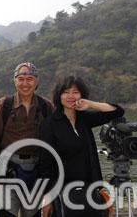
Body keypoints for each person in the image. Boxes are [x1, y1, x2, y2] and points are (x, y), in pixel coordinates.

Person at [38, 76, 124, 217]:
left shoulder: (84, 119)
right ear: (59, 96)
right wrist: (47, 198)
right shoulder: (49, 124)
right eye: (66, 92)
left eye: (75, 92)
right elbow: (45, 165)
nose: (71, 96)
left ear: (81, 95)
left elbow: (117, 111)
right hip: (64, 192)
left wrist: (90, 104)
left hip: (90, 190)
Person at [0, 62, 53, 217]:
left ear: (37, 81)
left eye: (30, 79)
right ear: (15, 81)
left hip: (36, 173)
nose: (25, 83)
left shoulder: (46, 106)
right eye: (21, 79)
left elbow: (52, 142)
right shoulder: (5, 105)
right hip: (7, 172)